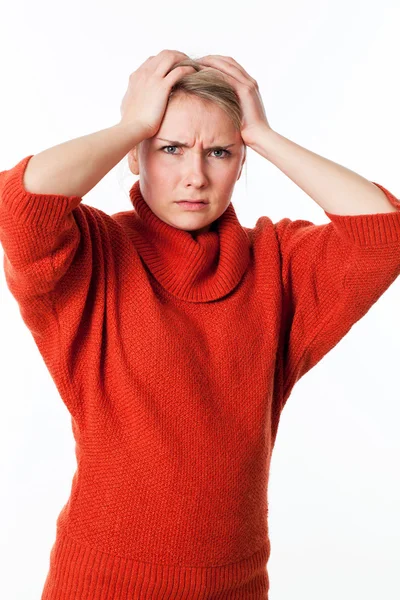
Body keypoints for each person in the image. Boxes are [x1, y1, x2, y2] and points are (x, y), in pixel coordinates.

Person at [1, 49, 400, 600]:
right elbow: (19, 208)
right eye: (169, 148)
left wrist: (263, 134)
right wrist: (133, 122)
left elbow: (384, 235)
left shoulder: (277, 265)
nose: (194, 175)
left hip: (233, 586)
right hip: (97, 583)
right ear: (135, 157)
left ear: (241, 163)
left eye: (219, 152)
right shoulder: (93, 253)